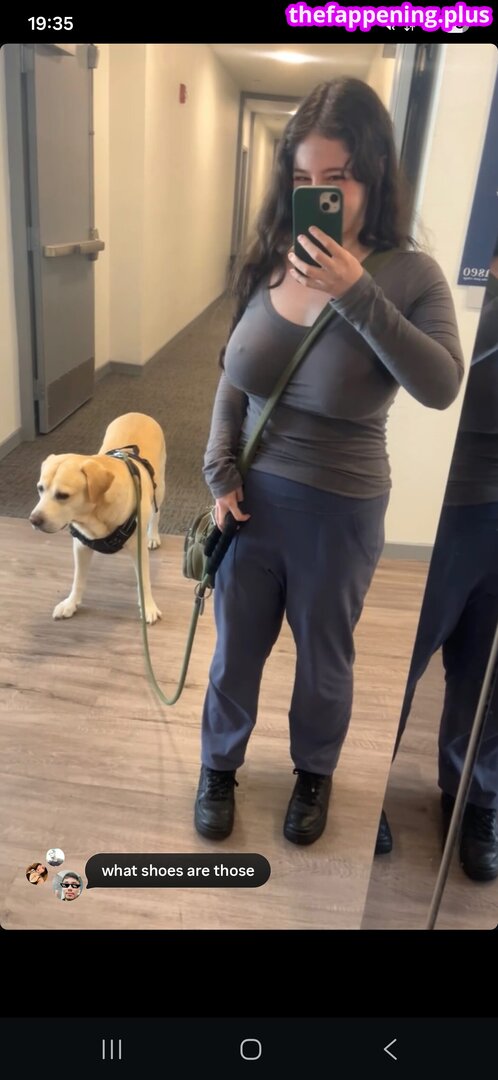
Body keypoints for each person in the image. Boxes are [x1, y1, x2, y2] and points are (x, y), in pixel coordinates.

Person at [195, 77, 464, 846]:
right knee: (234, 654)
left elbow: (442, 383)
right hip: (250, 507)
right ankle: (218, 766)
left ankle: (315, 773)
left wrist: (357, 292)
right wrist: (219, 465)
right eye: (303, 177)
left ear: (372, 175)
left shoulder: (410, 275)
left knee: (323, 660)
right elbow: (235, 372)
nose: (319, 194)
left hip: (340, 512)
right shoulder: (269, 261)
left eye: (337, 177)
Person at [376, 246, 498, 880]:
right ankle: (370, 782)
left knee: (488, 675)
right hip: (444, 507)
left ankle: (476, 795)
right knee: (406, 660)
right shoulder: (454, 277)